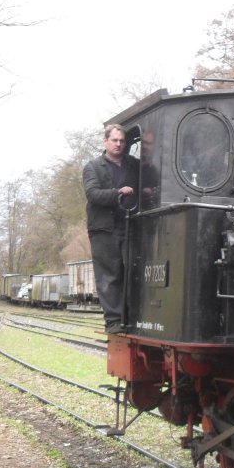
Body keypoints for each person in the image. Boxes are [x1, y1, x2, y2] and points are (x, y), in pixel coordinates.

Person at [84, 124, 138, 333]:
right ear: (105, 141)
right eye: (115, 140)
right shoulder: (93, 167)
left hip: (130, 224)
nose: (118, 144)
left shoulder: (134, 164)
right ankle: (114, 321)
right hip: (103, 228)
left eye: (122, 141)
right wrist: (118, 193)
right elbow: (92, 194)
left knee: (131, 271)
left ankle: (133, 317)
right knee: (109, 274)